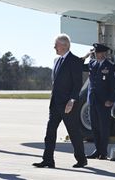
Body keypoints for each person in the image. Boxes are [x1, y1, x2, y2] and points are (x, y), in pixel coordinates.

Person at [32, 34, 87, 168]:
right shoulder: (56, 60)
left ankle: (81, 159)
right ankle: (48, 160)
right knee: (50, 132)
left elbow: (77, 84)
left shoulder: (74, 61)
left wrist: (72, 100)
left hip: (68, 104)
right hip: (55, 103)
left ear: (65, 45)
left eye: (56, 45)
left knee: (73, 132)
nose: (54, 47)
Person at [82, 43, 115, 159]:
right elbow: (79, 66)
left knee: (104, 127)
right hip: (92, 100)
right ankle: (97, 150)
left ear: (104, 53)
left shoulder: (110, 66)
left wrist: (111, 100)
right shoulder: (92, 64)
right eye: (95, 53)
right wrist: (86, 56)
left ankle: (103, 152)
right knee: (95, 127)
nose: (96, 55)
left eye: (97, 53)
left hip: (104, 102)